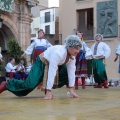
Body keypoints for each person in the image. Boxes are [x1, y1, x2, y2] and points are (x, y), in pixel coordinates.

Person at [0, 35, 82, 100]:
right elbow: (52, 71)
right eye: (76, 48)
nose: (78, 51)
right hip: (41, 62)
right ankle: (7, 84)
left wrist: (71, 89)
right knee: (29, 86)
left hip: (53, 65)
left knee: (66, 74)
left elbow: (71, 71)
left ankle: (47, 87)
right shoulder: (59, 53)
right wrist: (49, 91)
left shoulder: (72, 57)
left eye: (79, 49)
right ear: (69, 46)